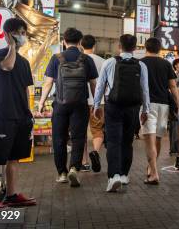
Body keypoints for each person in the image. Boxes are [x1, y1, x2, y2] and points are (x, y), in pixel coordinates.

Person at [0, 18, 36, 209]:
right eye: (18, 32)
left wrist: (29, 113)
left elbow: (25, 89)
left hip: (21, 117)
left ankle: (12, 195)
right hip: (3, 115)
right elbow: (7, 66)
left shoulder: (24, 62)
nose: (22, 36)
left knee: (15, 157)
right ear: (7, 34)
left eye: (23, 32)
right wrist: (11, 46)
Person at [38, 28, 98, 187]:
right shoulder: (86, 59)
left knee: (59, 138)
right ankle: (74, 168)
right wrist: (97, 104)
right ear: (80, 42)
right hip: (80, 104)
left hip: (60, 103)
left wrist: (41, 102)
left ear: (64, 41)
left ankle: (62, 173)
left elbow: (48, 83)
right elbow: (94, 84)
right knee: (78, 138)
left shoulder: (56, 58)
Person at [93, 34, 150, 192]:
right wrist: (146, 110)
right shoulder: (141, 65)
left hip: (113, 106)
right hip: (132, 107)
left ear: (119, 46)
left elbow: (100, 86)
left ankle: (114, 176)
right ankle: (124, 174)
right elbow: (145, 90)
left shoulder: (109, 62)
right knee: (127, 141)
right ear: (134, 48)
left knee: (113, 141)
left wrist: (97, 105)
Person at [140, 38, 179, 184]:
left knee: (149, 140)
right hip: (164, 105)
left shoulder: (140, 63)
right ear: (159, 48)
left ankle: (154, 173)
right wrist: (178, 104)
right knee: (157, 138)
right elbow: (173, 87)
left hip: (147, 105)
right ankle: (151, 169)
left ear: (146, 47)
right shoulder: (166, 64)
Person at [80, 35, 105, 173]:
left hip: (81, 101)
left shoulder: (79, 60)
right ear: (94, 46)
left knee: (82, 132)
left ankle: (84, 162)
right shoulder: (103, 61)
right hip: (98, 102)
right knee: (97, 130)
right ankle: (95, 151)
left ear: (81, 46)